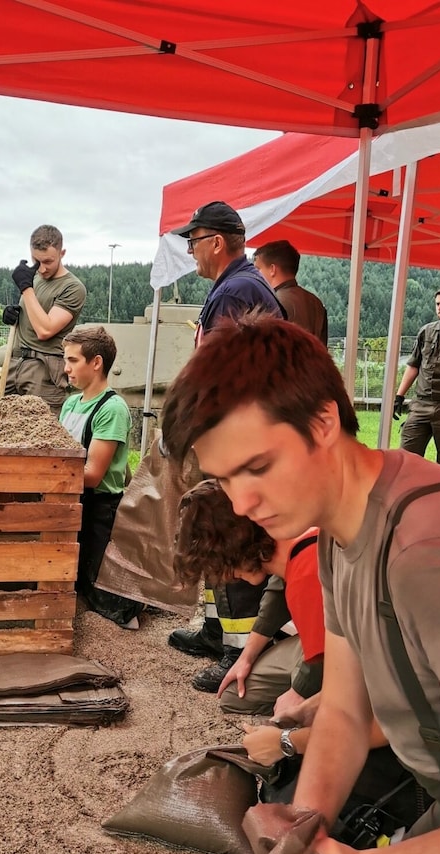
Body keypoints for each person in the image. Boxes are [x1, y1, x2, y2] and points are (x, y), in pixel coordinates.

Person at [161, 310, 440, 854]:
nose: (241, 504)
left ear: (326, 420)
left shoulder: (426, 552)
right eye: (224, 478)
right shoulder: (339, 534)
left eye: (257, 468)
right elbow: (345, 707)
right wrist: (309, 821)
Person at [166, 201, 286, 691]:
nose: (191, 251)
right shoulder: (239, 286)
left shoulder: (237, 290)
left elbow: (224, 374)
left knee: (228, 529)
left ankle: (238, 650)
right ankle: (217, 631)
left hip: (236, 436)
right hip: (237, 432)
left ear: (216, 242)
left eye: (193, 241)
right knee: (213, 528)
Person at [174, 479, 323, 722]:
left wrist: (299, 693)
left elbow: (328, 653)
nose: (224, 578)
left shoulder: (307, 567)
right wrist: (245, 658)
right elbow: (276, 598)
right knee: (235, 697)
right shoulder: (282, 555)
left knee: (297, 710)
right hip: (318, 645)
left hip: (352, 657)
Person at [58, 326, 133, 621]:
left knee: (109, 603)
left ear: (97, 362)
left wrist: (49, 475)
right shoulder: (70, 403)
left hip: (99, 508)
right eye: (66, 360)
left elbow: (92, 475)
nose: (66, 369)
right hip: (70, 502)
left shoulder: (112, 409)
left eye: (73, 361)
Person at [1, 224, 87, 417]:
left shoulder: (73, 288)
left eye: (48, 261)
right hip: (15, 363)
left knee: (38, 438)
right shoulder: (35, 278)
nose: (42, 268)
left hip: (44, 371)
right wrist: (15, 315)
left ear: (62, 253)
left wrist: (26, 288)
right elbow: (33, 312)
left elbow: (45, 330)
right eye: (36, 260)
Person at [393, 285, 440, 469]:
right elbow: (413, 365)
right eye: (437, 304)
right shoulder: (426, 332)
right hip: (421, 403)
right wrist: (399, 396)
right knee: (406, 456)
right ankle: (407, 495)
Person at [252, 239, 329, 345]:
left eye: (258, 269)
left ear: (272, 269)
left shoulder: (272, 302)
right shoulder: (317, 303)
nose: (255, 274)